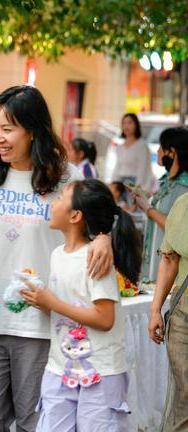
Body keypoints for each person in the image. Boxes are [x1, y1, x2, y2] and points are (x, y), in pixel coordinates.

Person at [0, 85, 113, 431]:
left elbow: (100, 218)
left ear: (33, 130)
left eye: (8, 129)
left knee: (37, 421)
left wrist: (103, 238)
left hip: (43, 325)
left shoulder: (66, 179)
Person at [20, 179, 141, 431]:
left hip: (101, 371)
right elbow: (67, 307)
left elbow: (105, 319)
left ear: (75, 215)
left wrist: (52, 303)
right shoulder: (56, 254)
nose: (53, 204)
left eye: (61, 198)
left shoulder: (96, 258)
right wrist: (40, 300)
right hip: (60, 368)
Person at [148, 193, 188, 431]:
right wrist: (155, 310)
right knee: (183, 393)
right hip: (183, 310)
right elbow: (170, 259)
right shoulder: (183, 204)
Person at [133, 127, 188, 282]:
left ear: (172, 152)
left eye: (161, 146)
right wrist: (144, 200)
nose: (157, 150)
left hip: (169, 274)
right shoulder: (167, 182)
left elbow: (175, 228)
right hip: (154, 266)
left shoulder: (184, 187)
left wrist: (148, 208)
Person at [112, 113, 154, 191]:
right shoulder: (120, 147)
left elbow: (143, 169)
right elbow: (117, 167)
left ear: (136, 125)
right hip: (120, 184)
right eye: (124, 123)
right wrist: (113, 182)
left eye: (130, 122)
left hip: (134, 184)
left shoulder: (142, 147)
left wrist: (137, 188)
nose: (126, 126)